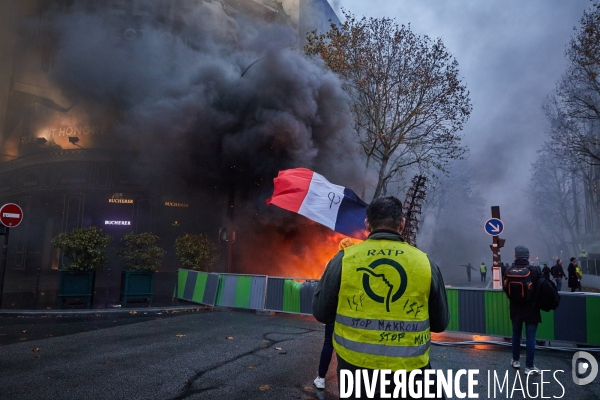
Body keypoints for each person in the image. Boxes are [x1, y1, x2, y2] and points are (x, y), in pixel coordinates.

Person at [313, 196, 449, 399]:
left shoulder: (345, 259)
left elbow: (321, 312)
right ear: (402, 223)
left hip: (355, 374)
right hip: (411, 374)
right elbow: (440, 323)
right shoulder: (425, 263)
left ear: (368, 224)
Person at [313, 237, 355, 390]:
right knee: (349, 347)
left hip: (334, 312)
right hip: (350, 312)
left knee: (328, 344)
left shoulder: (331, 263)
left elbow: (325, 289)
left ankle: (321, 378)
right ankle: (351, 383)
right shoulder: (357, 263)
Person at [507, 245, 542, 375]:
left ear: (515, 256)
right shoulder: (534, 270)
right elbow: (540, 289)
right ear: (527, 256)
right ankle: (529, 366)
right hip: (531, 309)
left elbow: (506, 289)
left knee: (516, 334)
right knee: (530, 337)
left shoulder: (509, 270)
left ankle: (515, 360)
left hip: (515, 309)